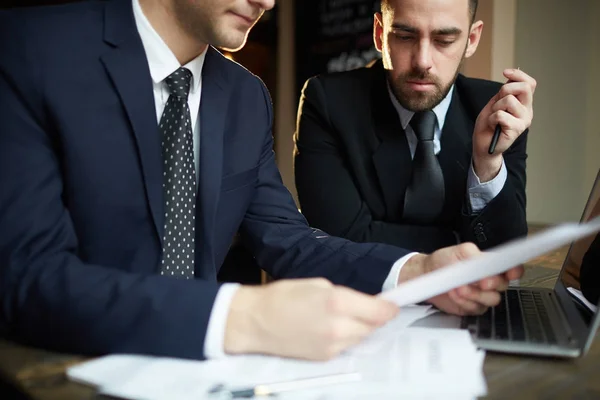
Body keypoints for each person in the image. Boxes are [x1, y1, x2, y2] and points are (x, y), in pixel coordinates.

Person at [0, 0, 522, 362]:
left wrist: (416, 270)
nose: (269, 3)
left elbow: (287, 240)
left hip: (205, 374)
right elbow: (26, 275)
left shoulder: (246, 97)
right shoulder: (29, 47)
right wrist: (241, 315)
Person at [294, 0, 536, 254]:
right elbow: (338, 238)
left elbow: (508, 253)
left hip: (472, 293)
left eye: (443, 40)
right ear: (379, 34)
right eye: (405, 36)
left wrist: (487, 165)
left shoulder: (497, 111)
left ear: (472, 39)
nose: (422, 62)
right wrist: (459, 243)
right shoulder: (328, 102)